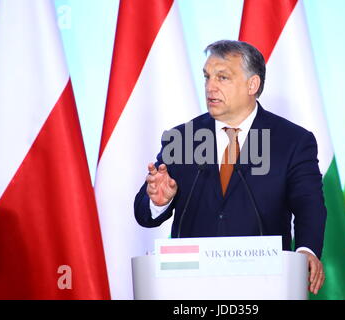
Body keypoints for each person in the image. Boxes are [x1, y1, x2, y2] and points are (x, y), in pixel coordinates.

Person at [134, 40, 327, 294]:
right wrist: (158, 201)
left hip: (265, 285)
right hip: (191, 289)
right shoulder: (183, 138)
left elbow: (309, 205)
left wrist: (305, 251)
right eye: (207, 77)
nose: (210, 87)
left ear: (252, 84)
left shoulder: (292, 141)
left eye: (222, 77)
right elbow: (143, 213)